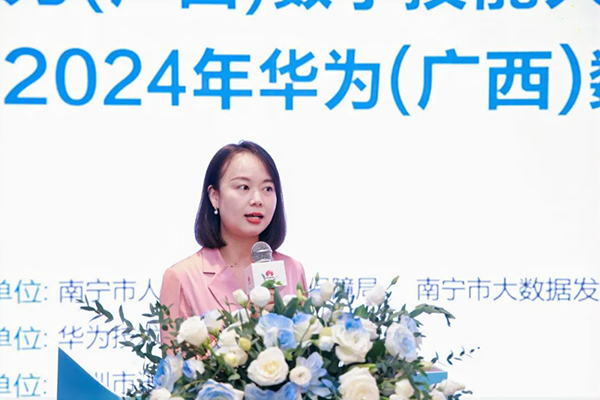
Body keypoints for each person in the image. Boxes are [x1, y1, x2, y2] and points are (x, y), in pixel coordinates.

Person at [159, 141, 307, 342]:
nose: (257, 199)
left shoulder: (292, 270)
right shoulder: (182, 278)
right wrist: (248, 325)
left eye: (268, 188)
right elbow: (175, 359)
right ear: (214, 196)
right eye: (243, 187)